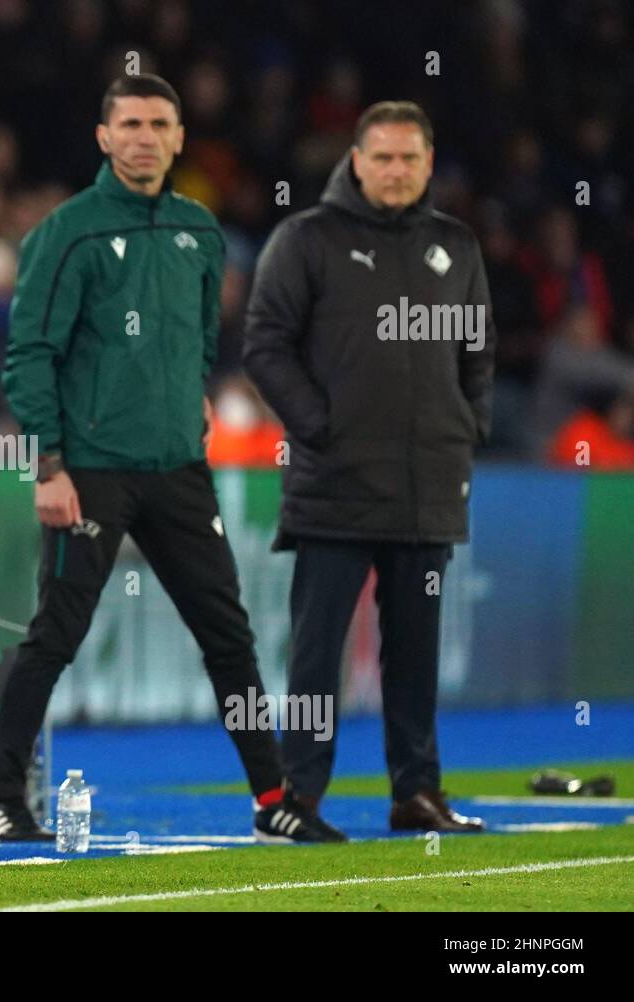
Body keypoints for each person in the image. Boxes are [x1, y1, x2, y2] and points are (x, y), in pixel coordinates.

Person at [0, 74, 344, 845]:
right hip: (92, 469)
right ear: (104, 138)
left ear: (180, 139)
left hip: (178, 469)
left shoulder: (201, 233)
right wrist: (49, 465)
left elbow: (206, 338)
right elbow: (29, 355)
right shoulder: (66, 232)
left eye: (159, 124)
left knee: (229, 636)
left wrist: (193, 396)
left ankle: (273, 798)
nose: (144, 136)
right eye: (130, 124)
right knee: (56, 635)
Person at [243, 101, 495, 835]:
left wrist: (467, 425)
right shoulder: (307, 238)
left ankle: (416, 792)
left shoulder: (456, 245)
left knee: (415, 655)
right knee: (318, 653)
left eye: (409, 158)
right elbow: (264, 344)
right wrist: (322, 428)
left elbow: (478, 351)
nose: (395, 171)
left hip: (427, 491)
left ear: (428, 163)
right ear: (355, 160)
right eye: (382, 157)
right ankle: (295, 796)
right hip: (336, 489)